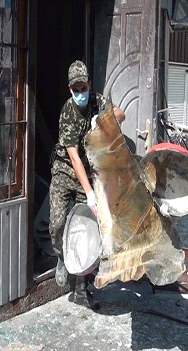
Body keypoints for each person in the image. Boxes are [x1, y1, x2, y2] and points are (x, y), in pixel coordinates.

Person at [49, 60, 125, 309]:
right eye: (75, 89)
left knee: (87, 228)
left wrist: (103, 122)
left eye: (83, 87)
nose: (80, 93)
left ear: (89, 84)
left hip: (87, 169)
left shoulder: (97, 100)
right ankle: (62, 256)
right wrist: (91, 193)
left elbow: (120, 113)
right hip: (64, 170)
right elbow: (72, 156)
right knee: (57, 224)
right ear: (69, 89)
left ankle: (80, 288)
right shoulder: (67, 113)